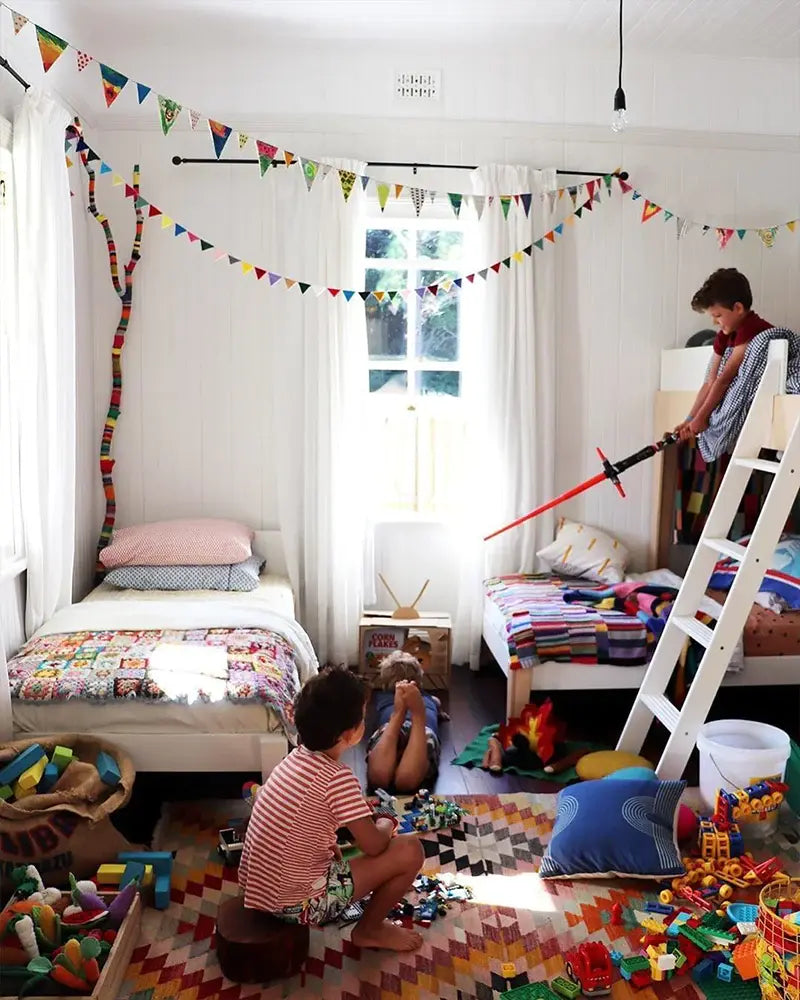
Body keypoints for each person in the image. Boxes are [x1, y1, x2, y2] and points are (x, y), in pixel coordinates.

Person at [239, 666, 424, 951]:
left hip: (257, 889)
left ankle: (340, 903)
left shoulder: (294, 760)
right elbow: (374, 846)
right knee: (410, 849)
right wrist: (386, 822)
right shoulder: (338, 779)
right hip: (297, 903)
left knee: (345, 847)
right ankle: (370, 930)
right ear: (350, 734)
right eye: (363, 717)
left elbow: (301, 821)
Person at [675, 268, 773, 442]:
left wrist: (702, 417)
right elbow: (710, 381)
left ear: (738, 308)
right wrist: (690, 419)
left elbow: (724, 379)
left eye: (718, 316)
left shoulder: (752, 328)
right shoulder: (724, 335)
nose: (714, 322)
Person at [366, 650, 447, 793]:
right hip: (424, 730)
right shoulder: (427, 698)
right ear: (419, 681)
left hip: (389, 727)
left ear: (384, 682)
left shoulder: (381, 697)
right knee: (405, 782)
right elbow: (437, 701)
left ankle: (398, 715)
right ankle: (418, 716)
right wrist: (439, 713)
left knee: (379, 779)